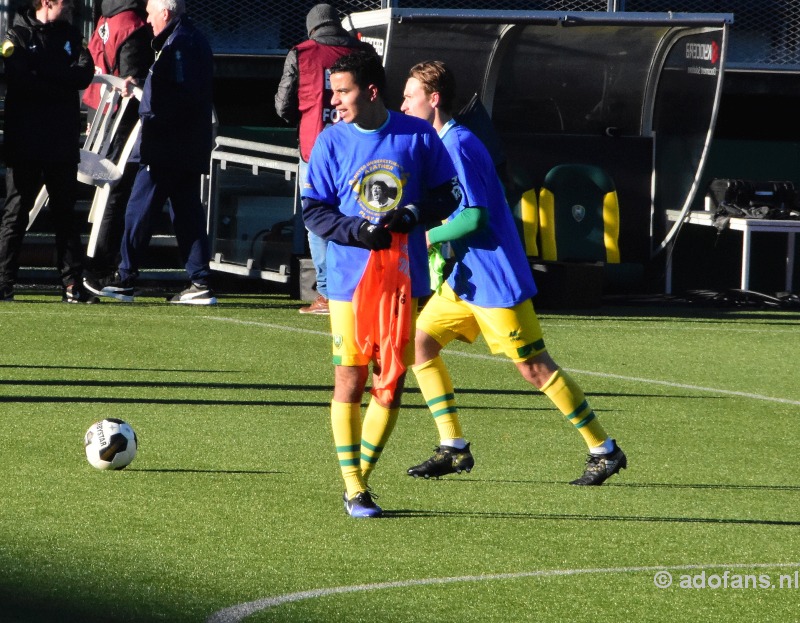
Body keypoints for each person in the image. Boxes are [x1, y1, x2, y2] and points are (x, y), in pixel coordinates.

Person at [400, 61, 627, 486]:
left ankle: (604, 449)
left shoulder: (459, 144)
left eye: (409, 96)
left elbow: (474, 218)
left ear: (433, 99)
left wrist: (427, 236)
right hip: (465, 277)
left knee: (535, 368)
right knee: (420, 345)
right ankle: (453, 447)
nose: (403, 104)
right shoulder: (441, 143)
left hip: (493, 280)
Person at [301, 51, 461, 517]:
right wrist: (355, 230)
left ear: (370, 92)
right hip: (351, 283)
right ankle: (354, 487)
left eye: (343, 91)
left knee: (389, 384)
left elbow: (448, 194)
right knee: (350, 377)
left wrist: (412, 214)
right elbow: (313, 210)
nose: (335, 101)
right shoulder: (331, 141)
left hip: (402, 282)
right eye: (333, 91)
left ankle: (360, 479)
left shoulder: (416, 134)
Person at [84, 0, 216, 305]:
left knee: (139, 209)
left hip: (166, 144)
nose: (147, 18)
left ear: (165, 13)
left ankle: (125, 278)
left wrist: (153, 120)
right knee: (186, 213)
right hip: (183, 143)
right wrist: (143, 83)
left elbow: (178, 94)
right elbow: (178, 88)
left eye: (150, 12)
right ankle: (200, 281)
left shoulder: (179, 44)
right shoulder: (187, 39)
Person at [274, 3, 376, 316]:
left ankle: (330, 293)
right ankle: (365, 287)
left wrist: (303, 120)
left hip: (314, 146)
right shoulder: (364, 52)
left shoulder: (302, 52)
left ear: (312, 27)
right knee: (362, 213)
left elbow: (283, 104)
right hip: (361, 146)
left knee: (317, 218)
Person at [0, 0, 96, 303]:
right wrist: (58, 78)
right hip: (25, 140)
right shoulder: (15, 35)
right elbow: (19, 79)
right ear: (47, 2)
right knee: (16, 212)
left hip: (61, 141)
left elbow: (85, 72)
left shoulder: (70, 36)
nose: (70, 8)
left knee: (65, 214)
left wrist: (42, 71)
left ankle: (71, 285)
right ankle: (4, 282)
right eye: (65, 2)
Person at [81, 0, 154, 280]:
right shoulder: (132, 24)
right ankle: (102, 263)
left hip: (99, 116)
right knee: (118, 190)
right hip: (120, 121)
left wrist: (91, 119)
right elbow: (130, 81)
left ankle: (98, 259)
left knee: (109, 193)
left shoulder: (104, 20)